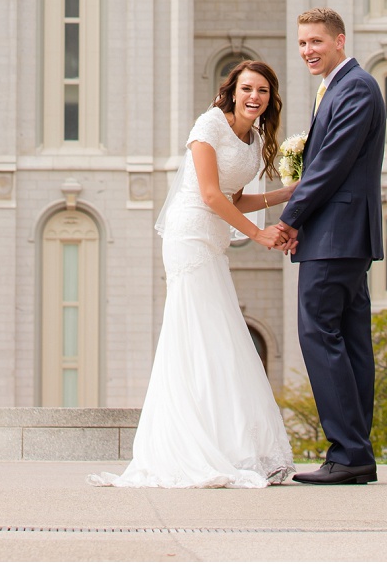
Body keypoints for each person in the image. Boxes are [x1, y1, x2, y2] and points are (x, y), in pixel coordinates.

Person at [90, 61, 294, 488]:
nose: (253, 97)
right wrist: (258, 236)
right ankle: (193, 445)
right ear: (232, 91)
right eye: (246, 89)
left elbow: (237, 199)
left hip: (215, 239)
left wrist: (288, 192)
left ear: (270, 98)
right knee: (201, 331)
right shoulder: (209, 125)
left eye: (262, 90)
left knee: (217, 333)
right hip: (188, 236)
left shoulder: (255, 140)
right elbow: (208, 193)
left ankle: (228, 442)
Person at [274, 8, 386, 486]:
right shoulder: (336, 89)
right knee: (351, 339)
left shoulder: (355, 87)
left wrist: (289, 220)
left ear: (340, 40)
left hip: (336, 235)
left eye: (316, 42)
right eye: (302, 44)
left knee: (319, 334)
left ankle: (347, 452)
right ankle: (356, 452)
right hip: (341, 235)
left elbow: (332, 165)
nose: (308, 51)